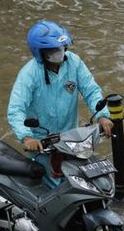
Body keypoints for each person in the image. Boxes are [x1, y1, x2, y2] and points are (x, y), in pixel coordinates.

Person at [7, 20, 113, 187]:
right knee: (51, 189)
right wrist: (27, 137)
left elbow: (91, 91)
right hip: (42, 145)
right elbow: (16, 109)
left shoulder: (74, 63)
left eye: (61, 47)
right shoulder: (29, 73)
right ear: (40, 52)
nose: (59, 52)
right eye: (53, 50)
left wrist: (102, 116)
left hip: (71, 140)